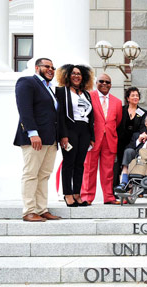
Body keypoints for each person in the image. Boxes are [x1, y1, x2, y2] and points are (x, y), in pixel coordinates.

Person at [14, 57, 61, 222]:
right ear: (37, 67)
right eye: (46, 66)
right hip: (35, 138)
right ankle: (29, 211)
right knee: (31, 174)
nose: (50, 69)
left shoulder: (49, 88)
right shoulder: (27, 82)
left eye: (53, 67)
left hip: (50, 139)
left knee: (44, 175)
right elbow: (24, 109)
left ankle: (42, 209)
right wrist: (32, 133)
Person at [55, 64, 95, 207]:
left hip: (84, 130)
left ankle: (77, 194)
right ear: (67, 75)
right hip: (70, 129)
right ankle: (68, 194)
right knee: (68, 163)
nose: (76, 76)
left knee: (80, 164)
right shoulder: (61, 91)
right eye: (73, 73)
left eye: (79, 74)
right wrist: (63, 135)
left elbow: (91, 117)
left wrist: (92, 137)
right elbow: (60, 116)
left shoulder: (86, 94)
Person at [81, 73, 122, 204]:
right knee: (89, 169)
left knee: (108, 171)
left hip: (109, 139)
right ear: (96, 82)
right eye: (101, 81)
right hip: (92, 139)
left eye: (108, 82)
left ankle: (109, 197)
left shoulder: (117, 101)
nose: (104, 84)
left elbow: (118, 121)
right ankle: (87, 197)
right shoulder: (88, 96)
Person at [114, 114, 147, 194]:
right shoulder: (138, 135)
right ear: (145, 124)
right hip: (139, 160)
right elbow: (130, 147)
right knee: (128, 151)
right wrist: (138, 140)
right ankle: (124, 182)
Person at [114, 87, 147, 188]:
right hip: (121, 140)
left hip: (134, 141)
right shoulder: (121, 109)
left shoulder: (142, 112)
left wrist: (143, 135)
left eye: (137, 95)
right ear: (128, 98)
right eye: (133, 95)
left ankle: (129, 186)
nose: (135, 97)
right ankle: (116, 187)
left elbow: (142, 127)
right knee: (118, 163)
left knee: (130, 162)